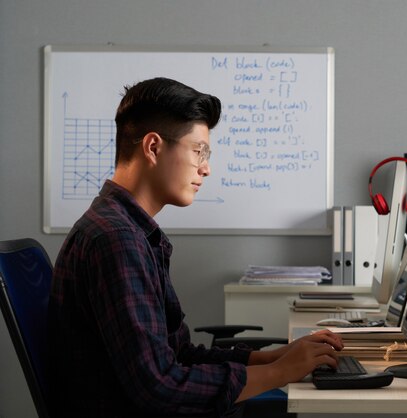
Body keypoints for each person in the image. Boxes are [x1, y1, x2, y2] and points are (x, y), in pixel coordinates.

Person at [47, 77, 343, 417]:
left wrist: (276, 356)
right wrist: (280, 373)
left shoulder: (129, 230)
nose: (206, 167)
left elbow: (177, 355)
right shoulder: (116, 239)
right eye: (198, 151)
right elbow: (160, 387)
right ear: (153, 147)